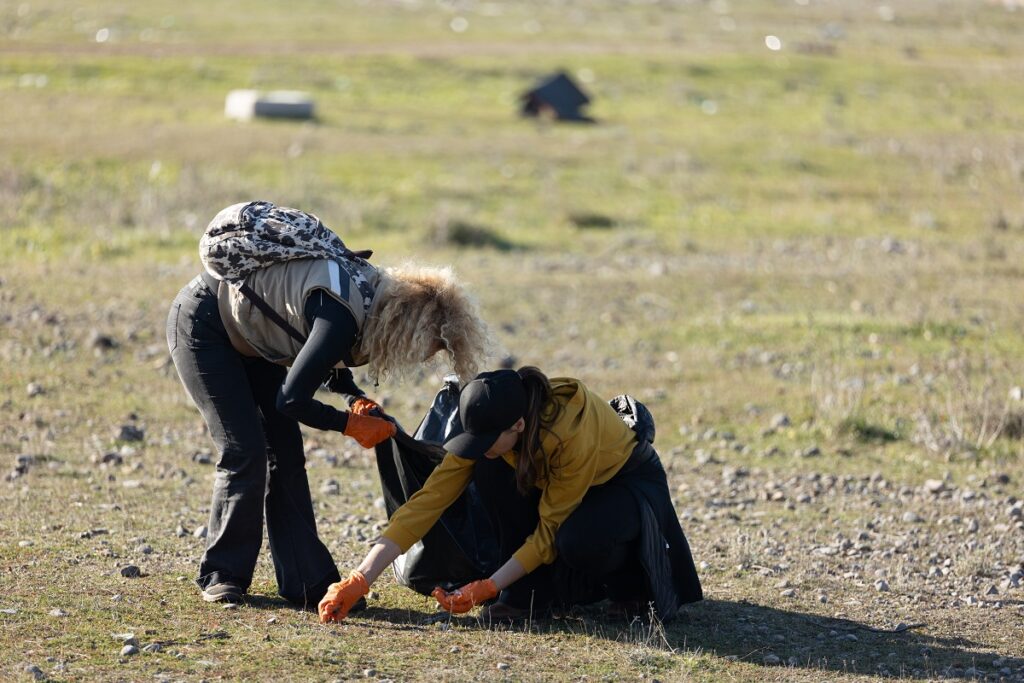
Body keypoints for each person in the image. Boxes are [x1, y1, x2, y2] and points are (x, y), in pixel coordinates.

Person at [166, 202, 488, 607]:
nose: (424, 357)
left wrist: (354, 399)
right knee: (244, 450)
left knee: (286, 453)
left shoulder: (371, 293)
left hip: (257, 341)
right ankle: (222, 574)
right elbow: (292, 399)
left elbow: (317, 351)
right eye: (431, 346)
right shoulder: (342, 313)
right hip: (204, 325)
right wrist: (348, 425)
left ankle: (307, 581)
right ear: (409, 327)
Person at [318, 367, 702, 624]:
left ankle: (628, 587)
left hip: (623, 483)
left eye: (487, 440)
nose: (479, 446)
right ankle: (527, 597)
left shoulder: (568, 433)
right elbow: (427, 502)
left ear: (518, 425)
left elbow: (549, 533)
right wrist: (359, 579)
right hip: (564, 484)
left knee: (577, 540)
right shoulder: (495, 427)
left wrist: (489, 586)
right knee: (488, 468)